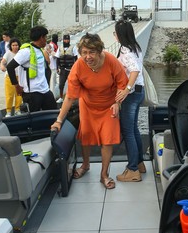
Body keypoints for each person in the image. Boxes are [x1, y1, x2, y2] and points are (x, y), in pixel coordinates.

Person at [51, 33, 128, 190]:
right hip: (88, 105)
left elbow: (122, 85)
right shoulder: (78, 66)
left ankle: (104, 175)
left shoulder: (111, 61)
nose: (88, 56)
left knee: (107, 140)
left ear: (99, 51)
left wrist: (117, 103)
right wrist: (59, 120)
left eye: (91, 52)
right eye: (84, 52)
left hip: (109, 106)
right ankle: (85, 165)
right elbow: (70, 97)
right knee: (85, 137)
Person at [112, 20, 146, 182]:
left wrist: (126, 89)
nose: (114, 35)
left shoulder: (126, 50)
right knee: (134, 129)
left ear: (120, 35)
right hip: (139, 92)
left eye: (115, 33)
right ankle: (139, 163)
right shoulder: (135, 47)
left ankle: (132, 170)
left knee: (128, 132)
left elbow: (134, 70)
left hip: (131, 94)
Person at [6, 25, 56, 112]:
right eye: (45, 37)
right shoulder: (26, 52)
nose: (46, 40)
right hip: (32, 93)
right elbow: (10, 67)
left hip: (45, 90)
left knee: (54, 115)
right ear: (41, 38)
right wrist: (17, 86)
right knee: (34, 121)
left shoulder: (40, 50)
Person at [0, 37, 24, 117]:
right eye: (13, 45)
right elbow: (3, 62)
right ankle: (9, 111)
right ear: (10, 46)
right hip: (9, 77)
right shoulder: (8, 53)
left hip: (19, 76)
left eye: (16, 45)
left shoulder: (21, 53)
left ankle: (17, 109)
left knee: (19, 95)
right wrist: (2, 66)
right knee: (9, 95)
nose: (15, 47)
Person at [55, 34, 78, 103]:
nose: (66, 41)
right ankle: (61, 97)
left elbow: (76, 58)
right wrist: (57, 68)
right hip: (62, 69)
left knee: (73, 83)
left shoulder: (73, 48)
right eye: (65, 39)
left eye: (67, 39)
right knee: (61, 84)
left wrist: (75, 69)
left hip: (70, 69)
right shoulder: (60, 48)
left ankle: (74, 96)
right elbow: (57, 58)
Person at [46, 33, 59, 98]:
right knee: (52, 80)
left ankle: (54, 93)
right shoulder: (51, 44)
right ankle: (52, 94)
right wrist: (57, 55)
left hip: (55, 63)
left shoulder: (55, 44)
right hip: (52, 64)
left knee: (54, 81)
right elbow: (49, 52)